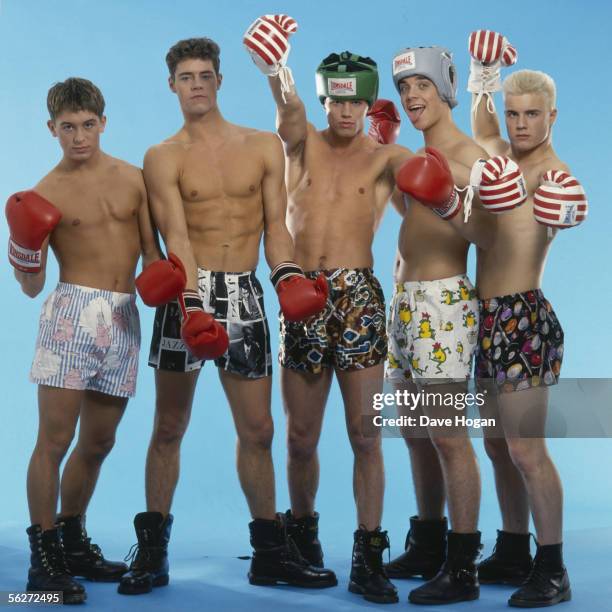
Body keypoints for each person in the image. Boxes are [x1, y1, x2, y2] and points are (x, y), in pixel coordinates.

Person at [243, 14, 459, 604]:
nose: (345, 114)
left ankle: (369, 555)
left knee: (367, 434)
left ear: (367, 103)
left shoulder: (387, 160)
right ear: (325, 99)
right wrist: (277, 69)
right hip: (300, 291)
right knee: (300, 438)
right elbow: (287, 112)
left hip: (357, 296)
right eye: (336, 103)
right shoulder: (301, 141)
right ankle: (305, 539)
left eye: (355, 104)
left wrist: (458, 188)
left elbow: (446, 190)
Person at [118, 37, 336, 595]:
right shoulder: (162, 156)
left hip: (243, 292)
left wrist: (286, 273)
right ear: (172, 85)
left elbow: (276, 225)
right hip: (185, 297)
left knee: (259, 429)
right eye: (185, 76)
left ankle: (269, 552)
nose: (196, 83)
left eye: (205, 74)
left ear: (219, 81)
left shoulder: (262, 146)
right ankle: (153, 551)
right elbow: (177, 234)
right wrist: (191, 303)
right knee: (169, 425)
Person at [8, 77, 160, 604]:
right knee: (54, 441)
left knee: (99, 442)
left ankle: (72, 539)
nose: (78, 136)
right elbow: (30, 288)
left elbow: (151, 253)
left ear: (103, 122)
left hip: (122, 317)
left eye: (87, 125)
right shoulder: (44, 193)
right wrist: (22, 250)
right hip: (71, 315)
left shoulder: (134, 179)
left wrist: (174, 296)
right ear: (52, 129)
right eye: (67, 127)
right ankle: (42, 561)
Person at [468, 29, 587, 608]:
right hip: (482, 318)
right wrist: (483, 74)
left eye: (531, 114)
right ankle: (514, 548)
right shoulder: (499, 156)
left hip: (522, 319)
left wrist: (567, 208)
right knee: (495, 445)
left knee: (526, 449)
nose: (518, 124)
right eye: (514, 113)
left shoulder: (553, 173)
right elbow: (482, 125)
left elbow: (571, 205)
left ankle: (554, 567)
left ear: (552, 116)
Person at [383, 45, 498, 605]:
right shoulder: (420, 152)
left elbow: (491, 239)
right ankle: (428, 541)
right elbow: (416, 217)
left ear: (444, 87)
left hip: (443, 307)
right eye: (404, 89)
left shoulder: (472, 157)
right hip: (404, 305)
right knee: (413, 432)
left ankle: (463, 565)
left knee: (449, 436)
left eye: (421, 86)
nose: (411, 98)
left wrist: (453, 197)